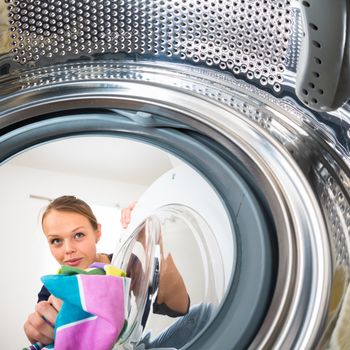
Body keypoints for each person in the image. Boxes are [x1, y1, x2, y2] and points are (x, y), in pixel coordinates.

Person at [24, 195, 190, 346]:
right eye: (56, 240)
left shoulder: (124, 263)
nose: (68, 249)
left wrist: (152, 239)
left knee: (201, 314)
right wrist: (39, 330)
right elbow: (44, 335)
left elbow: (178, 307)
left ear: (97, 232)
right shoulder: (53, 290)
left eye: (78, 235)